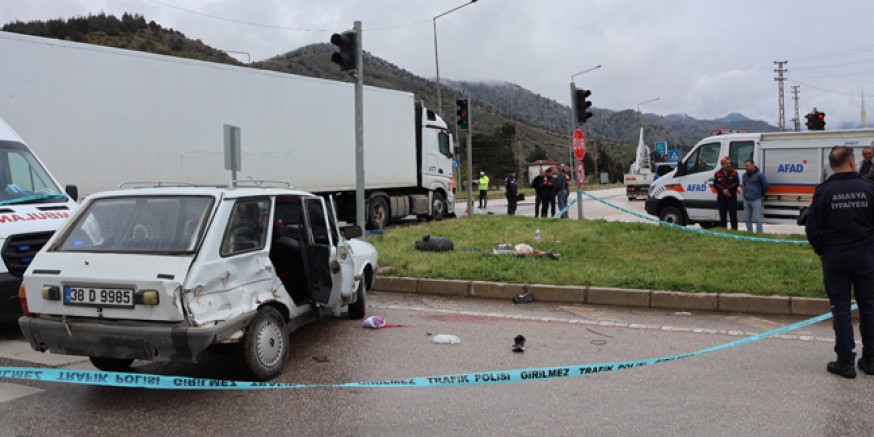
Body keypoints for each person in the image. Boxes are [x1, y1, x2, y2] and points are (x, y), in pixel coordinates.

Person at [805, 146, 874, 378]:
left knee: (841, 309)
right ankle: (871, 359)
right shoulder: (868, 189)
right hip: (866, 257)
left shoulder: (824, 191)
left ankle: (845, 361)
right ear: (853, 163)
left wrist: (822, 249)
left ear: (831, 166)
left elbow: (812, 227)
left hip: (836, 257)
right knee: (869, 306)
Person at [741, 159, 769, 233]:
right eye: (745, 166)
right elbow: (743, 185)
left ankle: (759, 233)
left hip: (756, 199)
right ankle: (749, 232)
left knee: (757, 218)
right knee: (747, 218)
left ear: (753, 165)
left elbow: (766, 186)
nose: (746, 168)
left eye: (748, 166)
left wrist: (761, 194)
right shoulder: (744, 175)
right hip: (746, 200)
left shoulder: (759, 175)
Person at [714, 156, 739, 230]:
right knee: (722, 217)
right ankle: (723, 232)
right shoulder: (717, 173)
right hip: (721, 198)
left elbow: (736, 183)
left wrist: (728, 190)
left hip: (731, 197)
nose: (728, 165)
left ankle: (734, 231)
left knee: (733, 217)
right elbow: (716, 184)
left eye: (729, 163)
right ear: (722, 164)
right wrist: (724, 191)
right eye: (726, 163)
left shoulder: (734, 172)